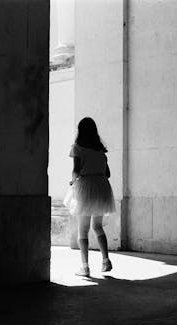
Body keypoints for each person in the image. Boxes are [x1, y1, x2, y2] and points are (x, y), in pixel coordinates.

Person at [64, 117, 116, 277]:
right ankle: (106, 260)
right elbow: (108, 173)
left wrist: (72, 182)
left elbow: (76, 170)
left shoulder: (78, 148)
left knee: (83, 230)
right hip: (101, 187)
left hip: (86, 187)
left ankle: (85, 267)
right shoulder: (100, 151)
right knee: (98, 227)